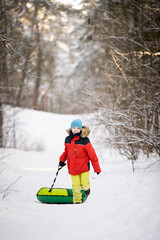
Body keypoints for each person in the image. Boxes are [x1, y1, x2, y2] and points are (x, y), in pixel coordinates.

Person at [59, 119, 101, 204]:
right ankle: (77, 200)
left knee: (84, 183)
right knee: (76, 186)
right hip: (73, 169)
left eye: (77, 128)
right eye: (73, 127)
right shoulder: (67, 139)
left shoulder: (85, 140)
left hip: (84, 168)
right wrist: (61, 160)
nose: (75, 129)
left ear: (81, 129)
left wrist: (97, 169)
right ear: (71, 128)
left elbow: (92, 155)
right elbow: (66, 152)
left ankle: (86, 188)